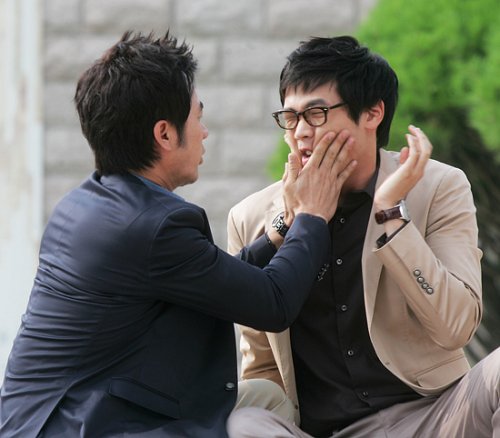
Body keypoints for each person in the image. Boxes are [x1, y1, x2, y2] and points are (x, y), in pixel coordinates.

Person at [0, 31, 358, 438]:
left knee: (266, 398)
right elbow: (274, 303)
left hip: (43, 419)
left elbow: (216, 280)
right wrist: (313, 214)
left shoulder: (86, 204)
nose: (204, 133)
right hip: (90, 427)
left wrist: (284, 225)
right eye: (197, 118)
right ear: (165, 134)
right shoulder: (154, 227)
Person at [226, 36, 500, 437]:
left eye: (316, 113)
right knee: (242, 421)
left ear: (372, 113)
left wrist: (392, 215)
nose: (300, 132)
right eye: (290, 117)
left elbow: (455, 327)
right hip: (319, 432)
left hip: (435, 417)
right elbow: (263, 370)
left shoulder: (438, 186)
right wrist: (292, 222)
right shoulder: (250, 219)